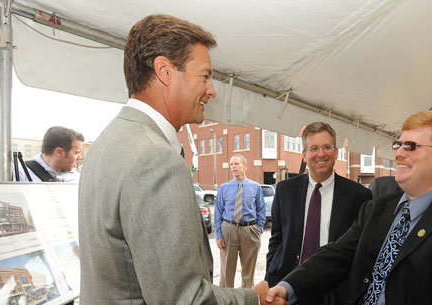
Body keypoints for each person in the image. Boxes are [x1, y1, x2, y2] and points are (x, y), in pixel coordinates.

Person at [78, 14, 283, 305]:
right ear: (164, 71)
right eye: (205, 76)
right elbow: (183, 299)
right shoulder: (154, 159)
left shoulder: (107, 143)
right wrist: (254, 299)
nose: (212, 91)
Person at [267, 110, 432, 304]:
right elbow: (335, 255)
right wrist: (287, 287)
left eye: (411, 146)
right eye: (399, 145)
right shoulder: (377, 208)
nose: (399, 154)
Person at [265, 122, 372, 304]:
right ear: (304, 155)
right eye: (313, 148)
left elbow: (360, 250)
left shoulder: (359, 195)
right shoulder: (285, 191)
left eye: (326, 147)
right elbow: (276, 239)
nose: (321, 154)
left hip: (334, 291)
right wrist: (271, 277)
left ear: (336, 152)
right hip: (288, 287)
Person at [215, 154, 266, 288]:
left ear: (245, 166)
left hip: (249, 231)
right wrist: (219, 235)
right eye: (231, 164)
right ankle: (227, 300)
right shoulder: (224, 188)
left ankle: (246, 299)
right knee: (227, 270)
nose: (233, 167)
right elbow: (218, 212)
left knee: (249, 271)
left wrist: (258, 228)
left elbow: (261, 209)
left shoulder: (255, 187)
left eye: (236, 164)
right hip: (229, 229)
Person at [13, 126, 84, 182]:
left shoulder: (77, 178)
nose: (80, 158)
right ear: (59, 152)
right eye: (77, 153)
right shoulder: (20, 173)